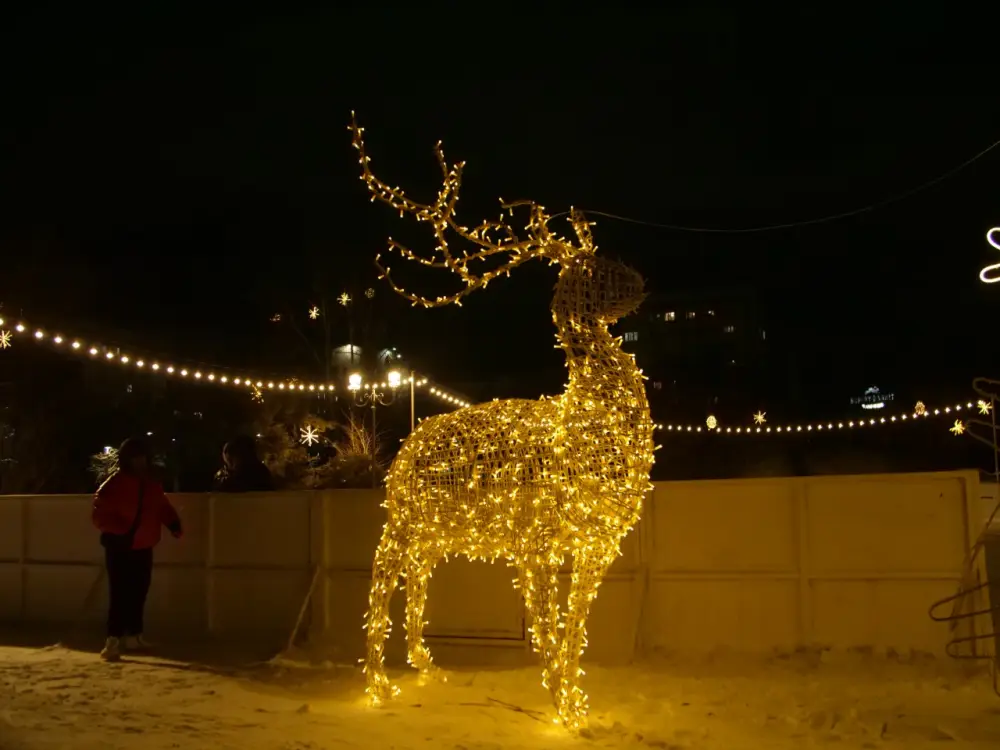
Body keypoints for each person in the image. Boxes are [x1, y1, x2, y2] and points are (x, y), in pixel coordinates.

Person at [92, 436, 182, 662]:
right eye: (135, 457)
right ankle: (113, 638)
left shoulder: (151, 484)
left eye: (142, 456)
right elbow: (99, 514)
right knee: (120, 593)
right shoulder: (114, 484)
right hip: (121, 546)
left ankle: (133, 634)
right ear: (127, 459)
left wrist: (173, 523)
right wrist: (119, 530)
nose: (140, 461)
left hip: (143, 544)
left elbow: (161, 506)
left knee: (139, 591)